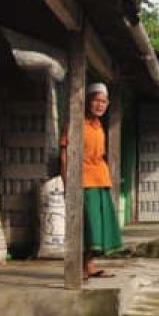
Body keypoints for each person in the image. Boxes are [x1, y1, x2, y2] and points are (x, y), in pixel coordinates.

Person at [61, 82, 123, 280]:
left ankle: (90, 264)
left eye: (104, 102)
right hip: (83, 180)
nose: (100, 105)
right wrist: (67, 182)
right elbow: (65, 154)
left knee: (100, 227)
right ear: (88, 101)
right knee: (88, 225)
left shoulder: (99, 126)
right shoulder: (75, 124)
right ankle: (80, 266)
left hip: (101, 179)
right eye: (97, 100)